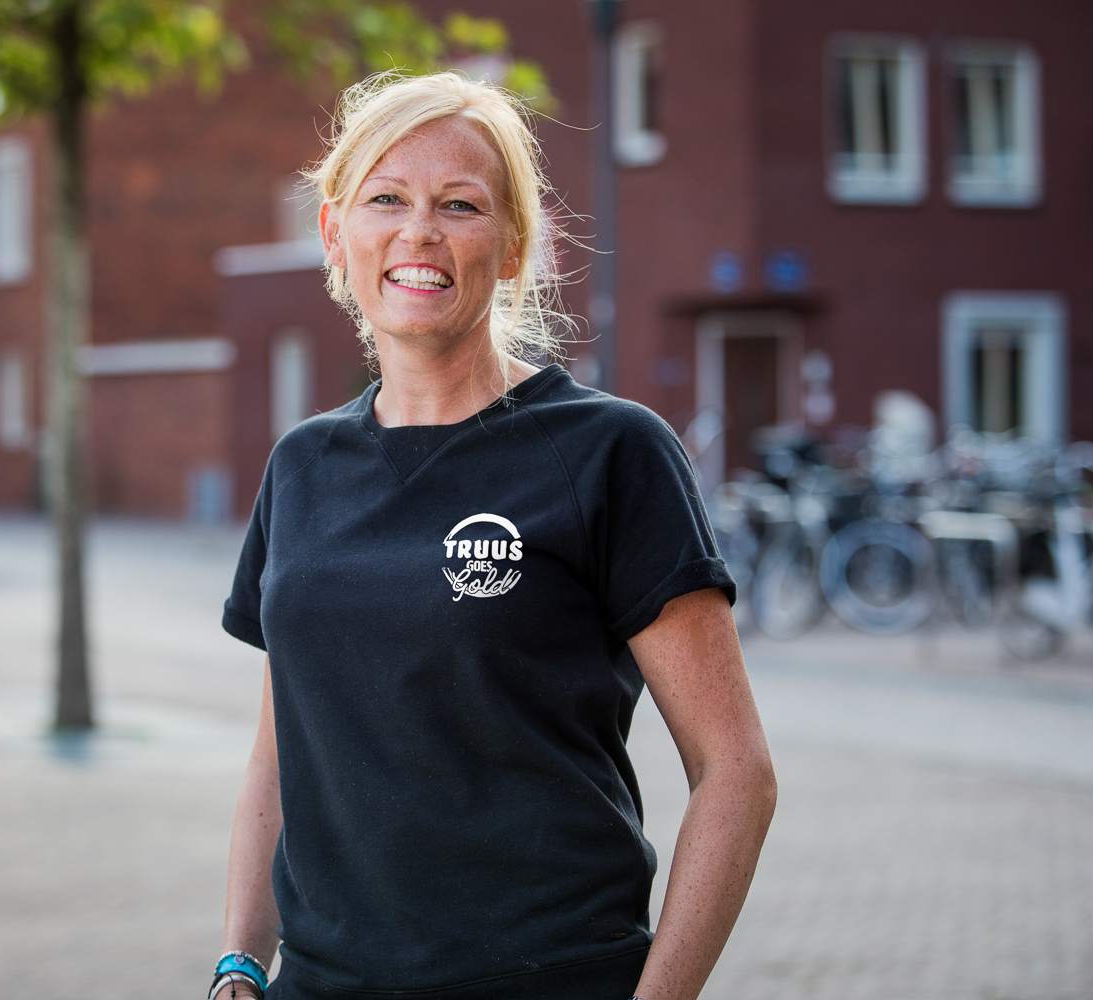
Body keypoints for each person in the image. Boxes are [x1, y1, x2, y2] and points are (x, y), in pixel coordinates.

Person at [213, 71, 776, 1000]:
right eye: (385, 199)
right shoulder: (302, 465)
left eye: (460, 204)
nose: (419, 232)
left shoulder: (610, 452)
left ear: (515, 247)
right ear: (334, 234)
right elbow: (281, 756)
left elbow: (736, 772)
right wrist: (240, 962)